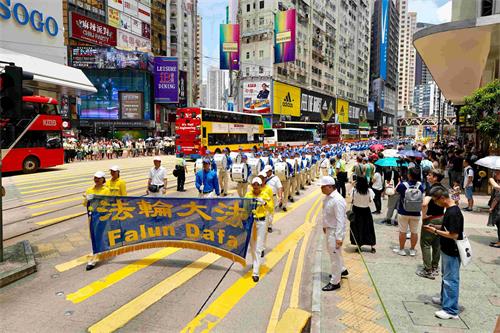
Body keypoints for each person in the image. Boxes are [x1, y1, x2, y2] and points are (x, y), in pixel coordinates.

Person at [423, 186, 464, 320]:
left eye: (436, 200)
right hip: (447, 249)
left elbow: (453, 234)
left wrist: (435, 231)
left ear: (442, 198)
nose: (435, 203)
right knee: (446, 277)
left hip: (452, 251)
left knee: (451, 280)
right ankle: (444, 299)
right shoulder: (449, 210)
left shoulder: (453, 212)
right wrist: (435, 227)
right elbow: (448, 228)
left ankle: (451, 310)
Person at [320, 176, 348, 291]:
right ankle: (341, 270)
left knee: (334, 256)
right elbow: (326, 214)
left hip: (335, 231)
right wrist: (324, 226)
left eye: (323, 186)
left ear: (330, 186)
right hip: (330, 229)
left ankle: (335, 281)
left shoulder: (337, 200)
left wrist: (339, 237)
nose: (321, 189)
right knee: (336, 253)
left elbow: (341, 220)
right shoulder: (328, 197)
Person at [418, 169, 445, 280]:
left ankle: (427, 270)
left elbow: (424, 204)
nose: (428, 176)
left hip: (431, 219)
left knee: (425, 243)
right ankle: (434, 267)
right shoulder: (443, 189)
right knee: (437, 245)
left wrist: (424, 216)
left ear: (435, 177)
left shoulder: (431, 189)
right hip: (441, 218)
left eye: (430, 175)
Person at [245, 177, 273, 282]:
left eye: (257, 185)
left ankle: (255, 272)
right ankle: (255, 262)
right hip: (251, 222)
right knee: (252, 246)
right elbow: (243, 207)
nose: (255, 187)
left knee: (258, 247)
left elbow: (271, 208)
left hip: (261, 222)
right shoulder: (248, 195)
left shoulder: (265, 196)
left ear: (261, 186)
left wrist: (264, 203)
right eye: (254, 185)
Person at [83, 171, 111, 271]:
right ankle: (102, 250)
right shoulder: (89, 190)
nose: (97, 180)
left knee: (97, 236)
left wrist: (95, 199)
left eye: (99, 178)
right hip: (92, 216)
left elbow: (107, 203)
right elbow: (84, 204)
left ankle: (93, 259)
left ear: (103, 179)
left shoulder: (106, 190)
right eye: (95, 178)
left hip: (102, 216)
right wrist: (87, 199)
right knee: (94, 236)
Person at [393, 168, 424, 256]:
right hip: (416, 213)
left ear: (409, 175)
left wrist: (399, 183)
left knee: (402, 231)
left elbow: (395, 191)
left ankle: (402, 249)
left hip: (403, 212)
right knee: (414, 232)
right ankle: (412, 250)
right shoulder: (420, 186)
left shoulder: (403, 185)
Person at [349, 177, 376, 253]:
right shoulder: (369, 191)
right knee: (369, 228)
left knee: (357, 228)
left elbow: (350, 197)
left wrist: (352, 185)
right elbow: (370, 200)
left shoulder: (354, 190)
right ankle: (372, 246)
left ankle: (359, 245)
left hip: (356, 211)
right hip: (366, 211)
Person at [264, 165, 283, 233]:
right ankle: (264, 225)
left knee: (270, 212)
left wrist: (280, 197)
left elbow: (279, 187)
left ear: (270, 171)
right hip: (264, 197)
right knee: (264, 212)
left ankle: (269, 226)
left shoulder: (276, 178)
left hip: (273, 197)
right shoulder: (263, 177)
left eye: (267, 172)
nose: (266, 173)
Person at [488, 170, 500, 246]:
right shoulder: (497, 183)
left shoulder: (497, 185)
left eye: (498, 173)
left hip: (498, 208)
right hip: (497, 207)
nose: (496, 174)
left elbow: (497, 198)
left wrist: (491, 208)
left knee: (499, 224)